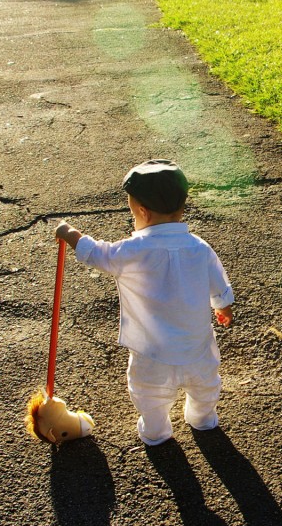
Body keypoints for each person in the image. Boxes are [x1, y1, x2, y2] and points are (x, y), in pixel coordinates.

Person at [55, 159, 234, 446]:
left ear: (142, 212)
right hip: (197, 347)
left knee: (149, 396)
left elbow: (98, 253)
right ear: (182, 208)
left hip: (151, 353)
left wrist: (69, 233)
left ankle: (156, 432)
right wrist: (222, 306)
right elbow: (218, 282)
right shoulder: (199, 247)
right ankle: (202, 419)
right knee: (205, 388)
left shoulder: (132, 250)